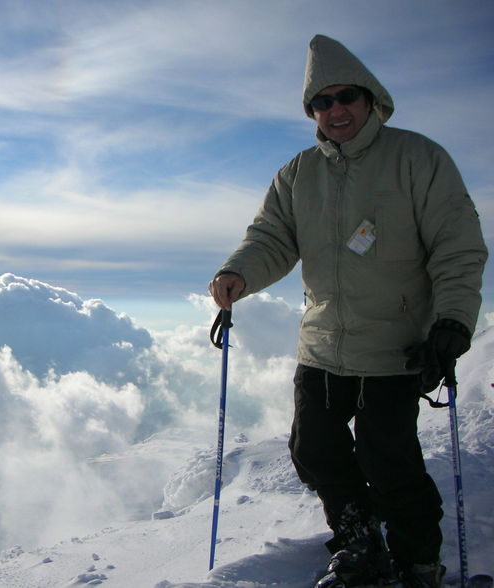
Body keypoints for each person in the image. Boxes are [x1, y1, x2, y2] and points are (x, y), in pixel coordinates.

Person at [209, 35, 488, 588]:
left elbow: (458, 247)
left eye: (346, 97)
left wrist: (452, 320)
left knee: (390, 464)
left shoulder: (418, 159)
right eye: (322, 101)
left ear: (370, 100)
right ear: (311, 111)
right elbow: (271, 237)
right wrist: (239, 271)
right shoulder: (298, 173)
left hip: (395, 346)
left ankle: (418, 563)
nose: (335, 109)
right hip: (323, 346)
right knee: (314, 451)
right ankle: (360, 545)